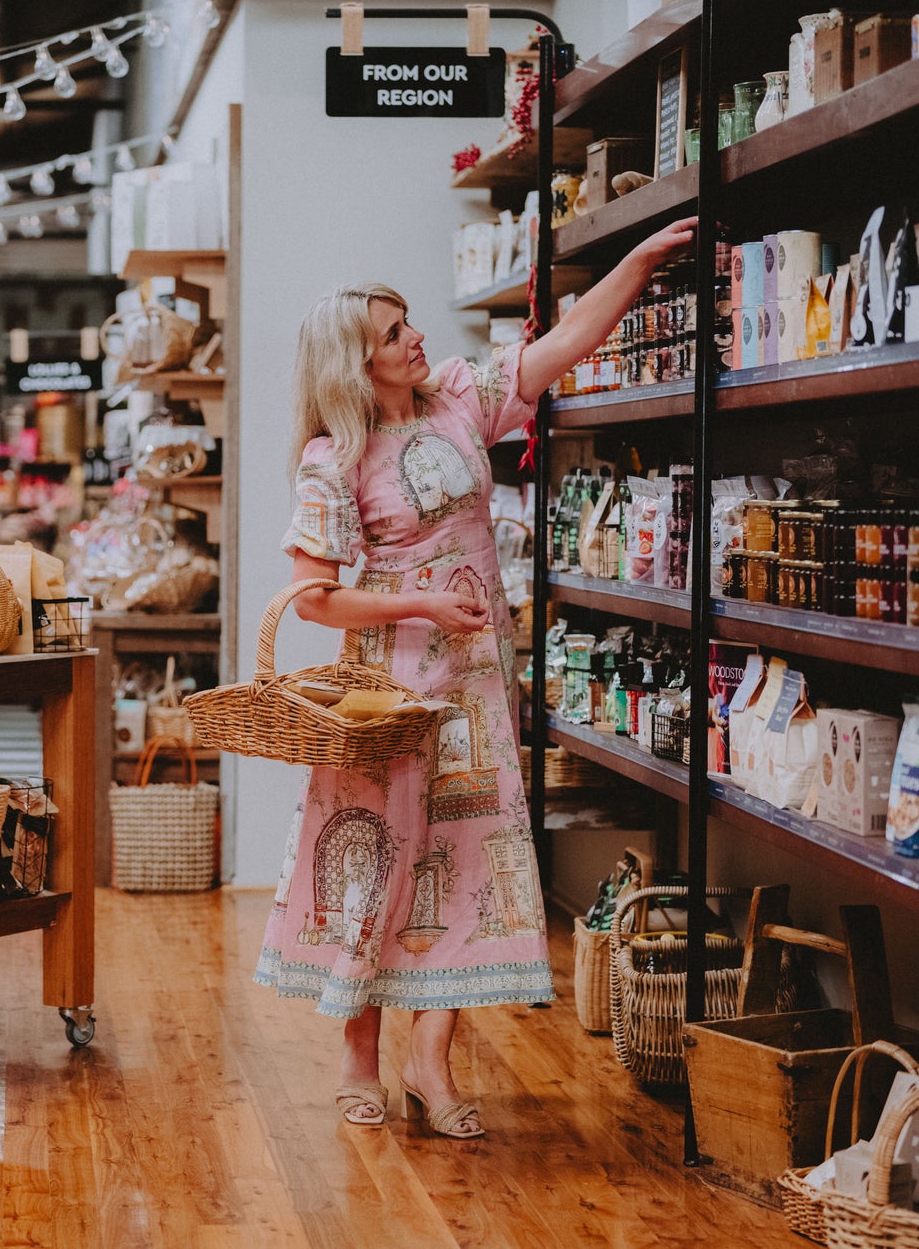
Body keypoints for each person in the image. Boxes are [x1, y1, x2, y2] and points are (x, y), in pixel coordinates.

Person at [256, 219, 698, 1137]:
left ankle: (433, 1057)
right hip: (388, 694)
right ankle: (358, 1051)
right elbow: (313, 601)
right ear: (355, 362)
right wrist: (418, 604)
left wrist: (640, 262)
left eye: (410, 320)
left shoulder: (459, 399)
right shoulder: (331, 461)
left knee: (465, 864)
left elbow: (564, 344)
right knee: (377, 862)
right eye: (393, 332)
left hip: (477, 689)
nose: (417, 336)